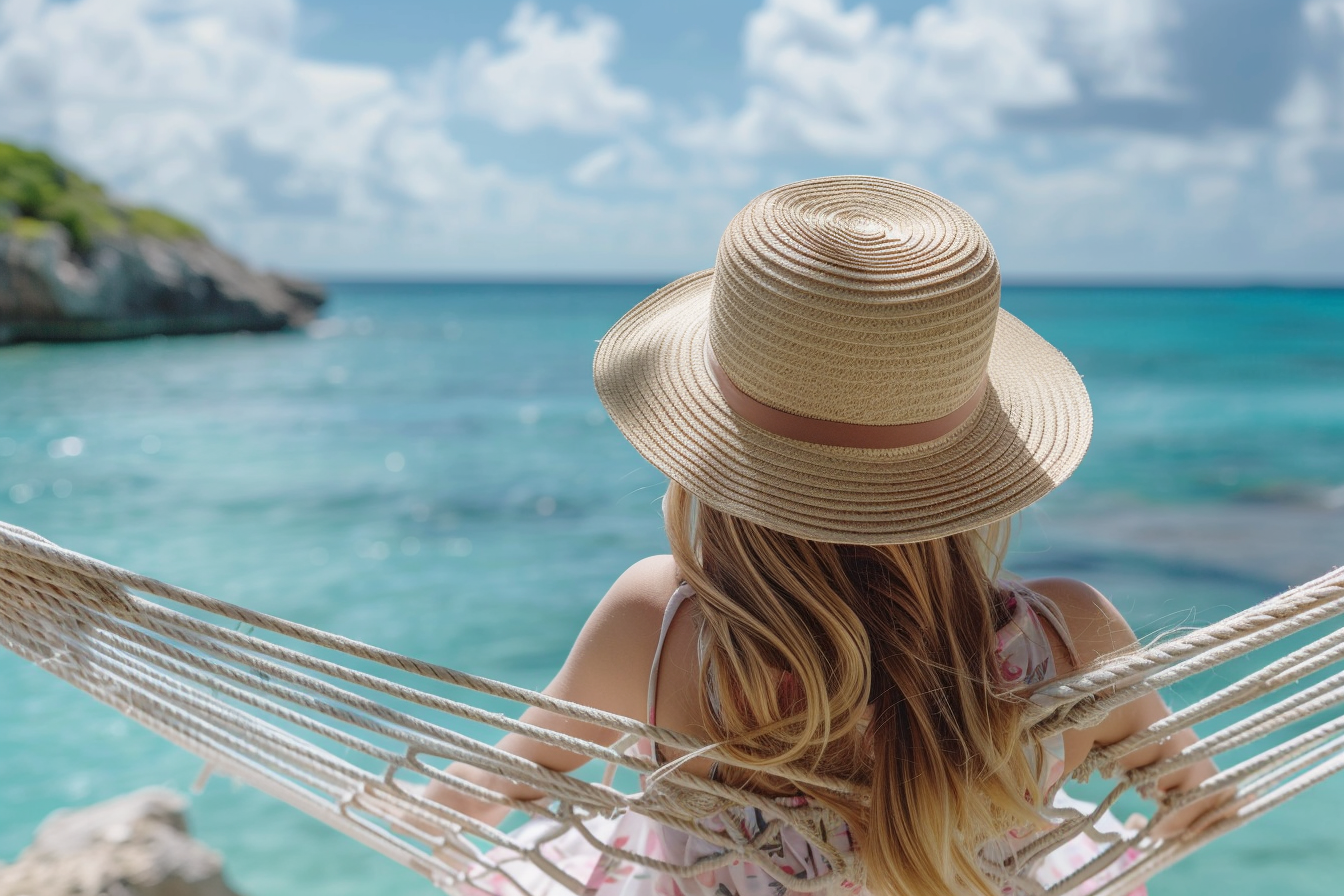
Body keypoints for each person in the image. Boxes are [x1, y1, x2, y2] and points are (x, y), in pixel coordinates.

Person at [422, 177, 1219, 896]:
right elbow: (1190, 784)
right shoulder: (1070, 637)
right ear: (974, 470)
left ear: (707, 449)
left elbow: (506, 776)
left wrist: (431, 808)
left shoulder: (661, 627)